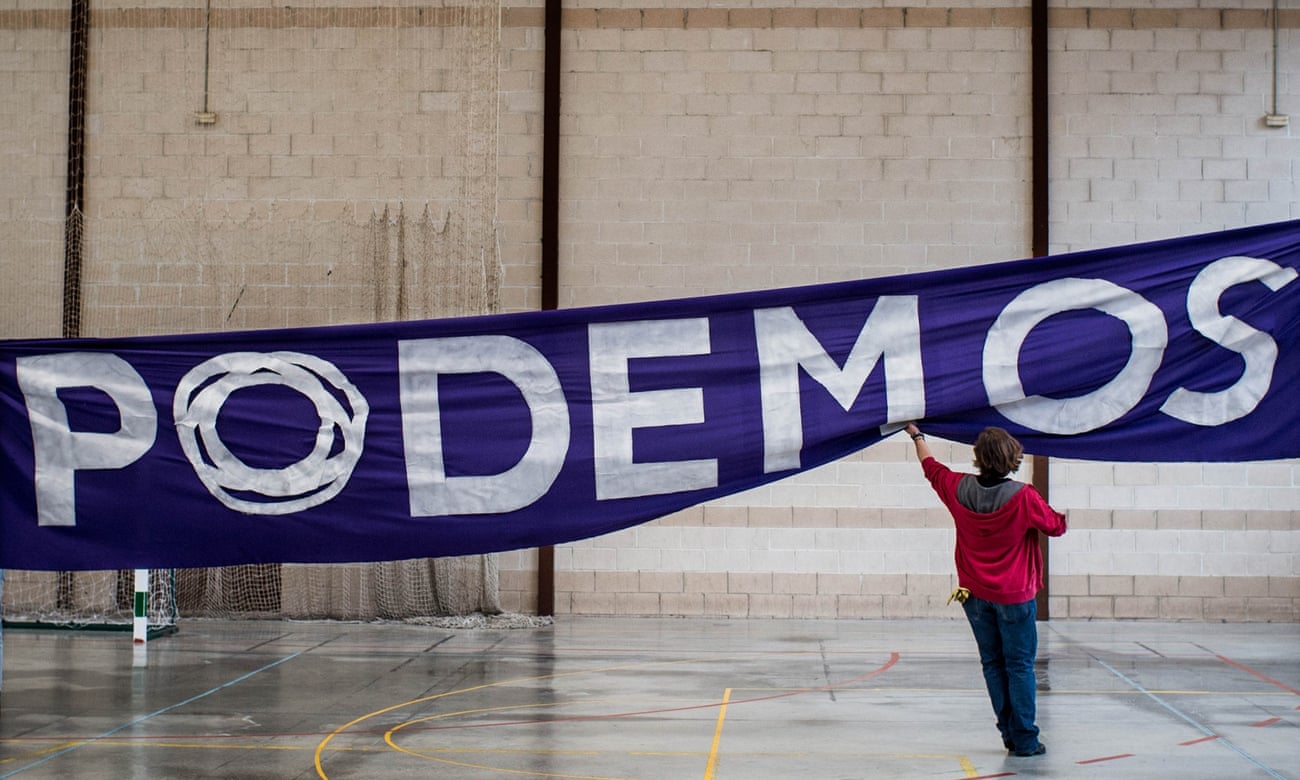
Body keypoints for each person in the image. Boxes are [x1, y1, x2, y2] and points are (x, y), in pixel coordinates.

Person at [904, 422, 1067, 758]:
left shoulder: (958, 487)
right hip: (1015, 597)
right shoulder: (1024, 497)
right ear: (1012, 458)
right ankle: (1024, 739)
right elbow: (1055, 527)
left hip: (974, 596)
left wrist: (916, 435)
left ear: (979, 458)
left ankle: (1008, 732)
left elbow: (930, 467)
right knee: (1019, 666)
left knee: (992, 664)